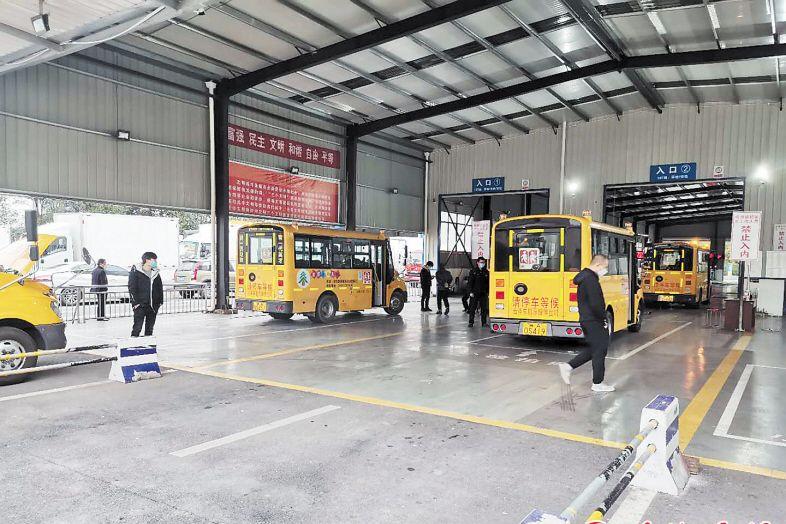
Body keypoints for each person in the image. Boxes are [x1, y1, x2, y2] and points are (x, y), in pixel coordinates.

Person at [558, 254, 615, 393]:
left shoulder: (584, 278)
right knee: (600, 349)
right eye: (605, 267)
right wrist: (603, 318)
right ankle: (598, 383)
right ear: (598, 265)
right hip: (594, 320)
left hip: (587, 319)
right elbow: (596, 303)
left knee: (595, 349)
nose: (605, 270)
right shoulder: (590, 280)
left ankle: (568, 367)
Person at [128, 252, 164, 337]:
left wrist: (160, 302)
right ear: (147, 260)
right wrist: (135, 303)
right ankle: (133, 342)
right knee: (137, 327)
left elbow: (159, 287)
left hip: (153, 305)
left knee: (150, 328)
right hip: (140, 305)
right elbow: (132, 288)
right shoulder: (136, 272)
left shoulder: (155, 273)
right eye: (154, 260)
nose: (155, 262)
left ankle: (148, 343)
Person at [467, 257, 489, 327]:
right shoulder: (473, 271)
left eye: (483, 262)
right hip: (474, 293)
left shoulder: (486, 272)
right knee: (472, 308)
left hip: (483, 293)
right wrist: (470, 292)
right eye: (481, 262)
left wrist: (488, 292)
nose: (482, 264)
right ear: (477, 263)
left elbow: (488, 283)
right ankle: (471, 322)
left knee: (484, 309)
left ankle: (484, 322)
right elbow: (470, 282)